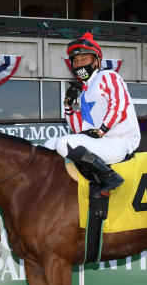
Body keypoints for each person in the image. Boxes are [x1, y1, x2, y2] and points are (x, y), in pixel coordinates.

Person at [44, 32, 140, 195]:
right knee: (48, 145)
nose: (79, 64)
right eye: (75, 61)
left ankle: (109, 177)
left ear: (97, 61)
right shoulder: (84, 92)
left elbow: (119, 104)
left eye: (84, 59)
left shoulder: (108, 75)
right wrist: (68, 106)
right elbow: (80, 129)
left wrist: (102, 130)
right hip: (101, 141)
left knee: (63, 144)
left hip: (119, 141)